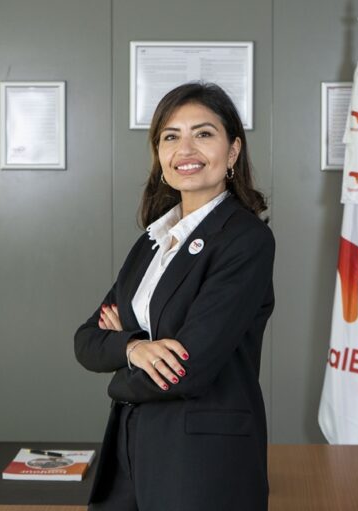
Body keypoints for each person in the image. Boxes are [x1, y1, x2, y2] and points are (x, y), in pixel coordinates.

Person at [74, 82, 275, 511]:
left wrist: (119, 364)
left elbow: (187, 368)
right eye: (171, 136)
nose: (186, 149)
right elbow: (86, 340)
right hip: (130, 450)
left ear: (233, 151)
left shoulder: (246, 240)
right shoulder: (152, 241)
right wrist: (135, 348)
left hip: (201, 463)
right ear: (159, 155)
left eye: (203, 133)